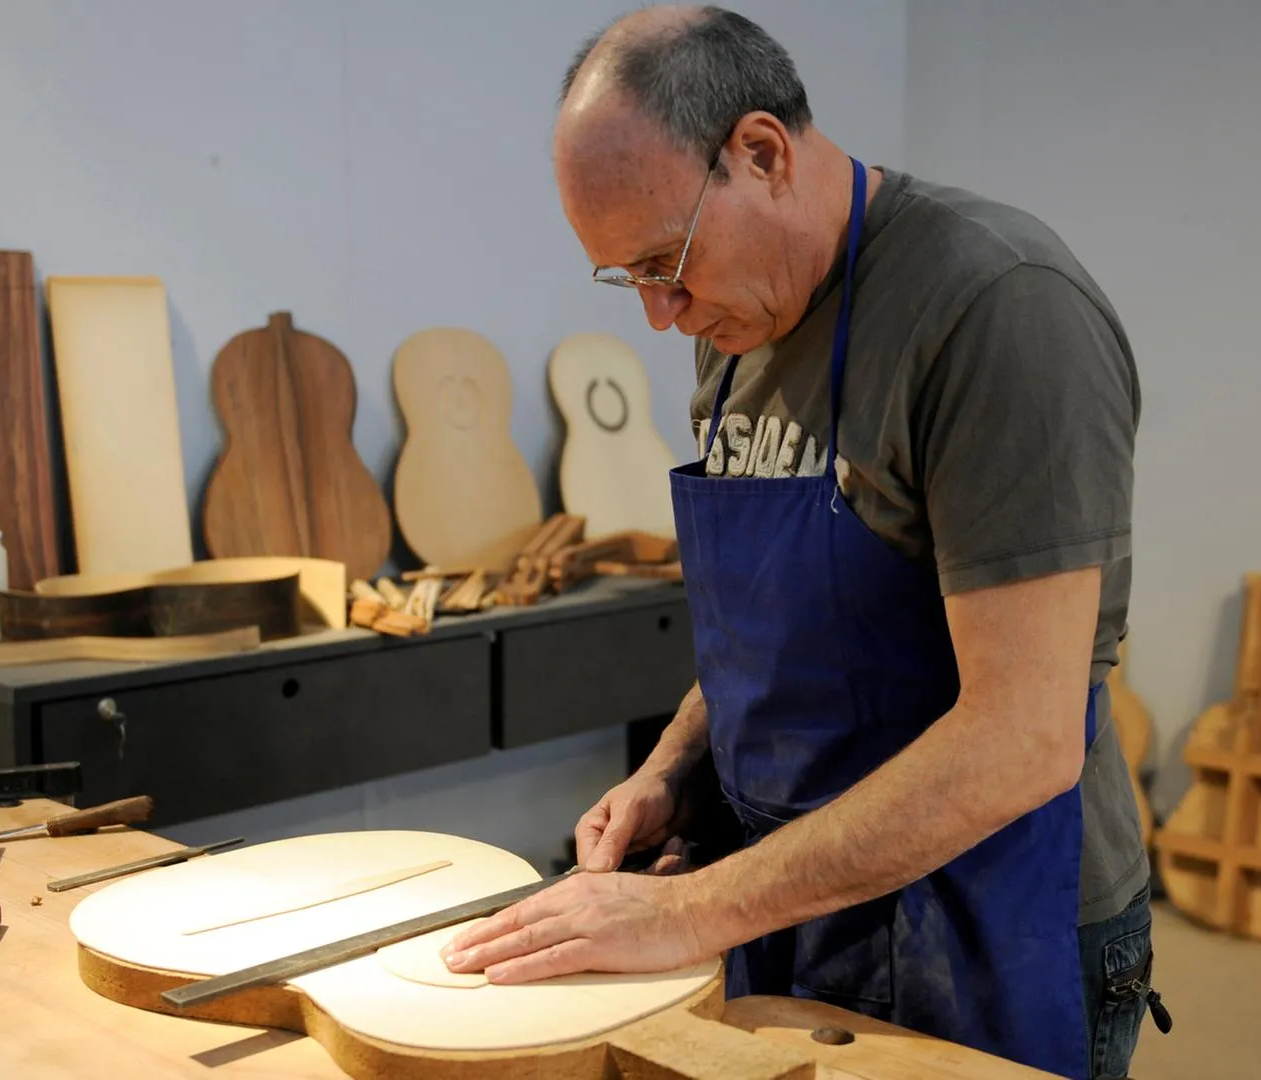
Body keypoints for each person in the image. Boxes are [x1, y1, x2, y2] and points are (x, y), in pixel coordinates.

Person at [441, 7, 1166, 1078]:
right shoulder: (734, 330)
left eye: (664, 259)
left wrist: (689, 910)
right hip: (796, 905)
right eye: (626, 277)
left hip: (985, 932)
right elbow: (781, 632)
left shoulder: (997, 311)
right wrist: (674, 769)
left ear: (763, 153)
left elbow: (1023, 739)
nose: (659, 313)